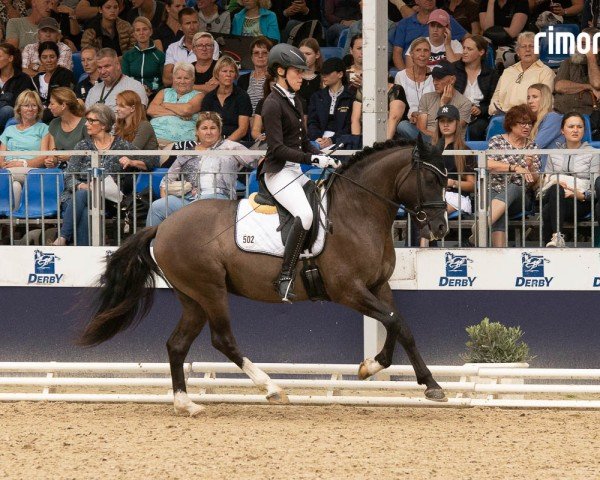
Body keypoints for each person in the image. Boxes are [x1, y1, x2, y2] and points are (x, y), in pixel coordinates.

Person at [260, 43, 339, 302]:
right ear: (280, 71)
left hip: (295, 171)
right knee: (304, 214)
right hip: (278, 172)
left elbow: (303, 141)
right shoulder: (271, 104)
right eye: (297, 72)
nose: (302, 78)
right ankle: (284, 277)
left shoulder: (296, 101)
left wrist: (321, 156)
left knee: (322, 204)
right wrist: (311, 158)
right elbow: (278, 148)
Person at [146, 111, 259, 226]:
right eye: (204, 128)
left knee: (199, 206)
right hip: (188, 199)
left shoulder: (231, 147)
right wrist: (166, 202)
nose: (208, 132)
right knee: (157, 207)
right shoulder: (187, 153)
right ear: (197, 131)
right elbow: (165, 182)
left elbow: (256, 162)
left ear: (219, 130)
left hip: (218, 197)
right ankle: (152, 244)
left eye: (213, 128)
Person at [54, 103, 143, 246]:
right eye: (86, 120)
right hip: (74, 197)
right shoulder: (82, 146)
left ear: (103, 124)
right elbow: (69, 176)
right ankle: (83, 251)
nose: (86, 124)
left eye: (91, 121)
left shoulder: (121, 145)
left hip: (106, 198)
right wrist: (82, 185)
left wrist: (132, 162)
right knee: (84, 204)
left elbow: (152, 159)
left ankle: (63, 238)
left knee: (87, 203)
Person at [473, 104, 541, 247]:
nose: (527, 127)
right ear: (511, 123)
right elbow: (487, 163)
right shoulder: (497, 140)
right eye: (522, 123)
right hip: (495, 191)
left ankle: (482, 226)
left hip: (521, 198)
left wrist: (529, 167)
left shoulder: (532, 146)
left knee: (514, 187)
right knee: (498, 201)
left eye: (529, 123)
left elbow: (534, 180)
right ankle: (499, 252)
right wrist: (514, 168)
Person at [541, 112, 599, 247]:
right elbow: (544, 186)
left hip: (580, 202)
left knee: (548, 210)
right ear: (562, 131)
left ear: (584, 131)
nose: (575, 130)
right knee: (555, 190)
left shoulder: (593, 154)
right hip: (556, 197)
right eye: (571, 126)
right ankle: (557, 237)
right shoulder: (553, 154)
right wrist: (554, 184)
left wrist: (578, 194)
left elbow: (597, 188)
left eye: (579, 127)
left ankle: (553, 241)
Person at [420, 104, 474, 247]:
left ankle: (423, 252)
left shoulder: (464, 150)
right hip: (433, 195)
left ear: (457, 123)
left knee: (430, 215)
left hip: (456, 196)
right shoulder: (429, 148)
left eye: (449, 121)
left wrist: (451, 182)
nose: (445, 124)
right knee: (419, 213)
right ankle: (422, 253)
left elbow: (472, 185)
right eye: (442, 121)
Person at [0, 90, 51, 208]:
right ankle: (14, 220)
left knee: (5, 177)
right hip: (8, 169)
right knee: (15, 186)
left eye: (34, 105)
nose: (30, 109)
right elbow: (1, 157)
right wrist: (4, 166)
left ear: (38, 109)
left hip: (31, 170)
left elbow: (43, 157)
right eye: (26, 105)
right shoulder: (9, 130)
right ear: (19, 109)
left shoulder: (44, 128)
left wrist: (22, 163)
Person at [489, 32, 555, 116]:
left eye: (531, 46)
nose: (527, 49)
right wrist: (495, 111)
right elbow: (496, 97)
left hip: (528, 117)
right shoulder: (508, 72)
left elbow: (544, 101)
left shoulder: (546, 72)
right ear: (518, 51)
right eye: (523, 46)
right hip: (503, 116)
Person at [392, 0, 467, 71]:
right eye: (432, 25)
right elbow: (397, 53)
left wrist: (460, 50)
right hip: (415, 71)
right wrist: (404, 75)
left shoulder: (445, 18)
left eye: (440, 26)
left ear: (447, 27)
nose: (435, 29)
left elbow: (468, 38)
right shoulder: (405, 23)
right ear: (416, 1)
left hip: (446, 74)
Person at [453, 35, 499, 141]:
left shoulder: (491, 74)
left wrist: (480, 110)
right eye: (463, 48)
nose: (464, 51)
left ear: (481, 52)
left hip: (479, 117)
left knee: (475, 129)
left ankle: (474, 157)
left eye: (469, 49)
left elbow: (494, 101)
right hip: (456, 113)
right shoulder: (453, 69)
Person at [414, 60, 472, 141]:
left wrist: (443, 104)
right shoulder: (426, 98)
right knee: (403, 126)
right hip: (426, 140)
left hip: (449, 144)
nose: (434, 82)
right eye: (433, 79)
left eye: (439, 79)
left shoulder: (465, 103)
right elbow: (421, 129)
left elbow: (449, 132)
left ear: (452, 79)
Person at [148, 61, 203, 143]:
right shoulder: (164, 92)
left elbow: (186, 110)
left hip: (180, 142)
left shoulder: (199, 95)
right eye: (179, 78)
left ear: (193, 79)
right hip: (154, 137)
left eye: (186, 78)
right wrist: (178, 113)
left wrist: (165, 104)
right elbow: (151, 110)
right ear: (173, 78)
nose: (182, 81)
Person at [200, 56, 252, 142]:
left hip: (237, 142)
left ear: (235, 75)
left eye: (231, 71)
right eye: (224, 71)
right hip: (212, 142)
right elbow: (204, 126)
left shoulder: (242, 96)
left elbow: (242, 130)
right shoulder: (209, 98)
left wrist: (225, 145)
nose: (228, 75)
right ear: (217, 74)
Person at [307, 57, 355, 149]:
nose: (323, 76)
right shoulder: (317, 97)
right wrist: (317, 138)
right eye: (322, 73)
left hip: (343, 144)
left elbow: (350, 126)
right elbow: (312, 122)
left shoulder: (350, 97)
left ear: (340, 74)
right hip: (318, 142)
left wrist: (333, 140)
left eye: (327, 73)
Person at [394, 37, 434, 139]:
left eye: (426, 50)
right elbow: (398, 105)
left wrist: (423, 116)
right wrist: (412, 115)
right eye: (418, 50)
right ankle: (430, 144)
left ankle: (426, 144)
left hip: (431, 123)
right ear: (411, 54)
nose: (422, 54)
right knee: (402, 126)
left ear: (430, 54)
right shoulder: (400, 76)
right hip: (409, 122)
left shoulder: (435, 75)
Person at [553, 28, 600, 116]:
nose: (578, 47)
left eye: (583, 44)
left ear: (597, 48)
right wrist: (589, 87)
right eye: (577, 42)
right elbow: (559, 86)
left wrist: (591, 57)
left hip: (588, 115)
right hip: (560, 112)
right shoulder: (568, 62)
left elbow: (597, 84)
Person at [114, 89, 159, 173]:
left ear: (132, 108)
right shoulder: (119, 126)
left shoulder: (144, 126)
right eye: (116, 105)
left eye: (121, 106)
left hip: (144, 170)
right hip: (126, 167)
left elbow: (132, 150)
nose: (117, 109)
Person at [121, 16, 165, 98]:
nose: (141, 33)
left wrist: (152, 90)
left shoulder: (160, 56)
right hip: (132, 95)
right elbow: (125, 80)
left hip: (154, 95)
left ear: (151, 32)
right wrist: (139, 89)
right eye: (138, 30)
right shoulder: (127, 56)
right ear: (134, 34)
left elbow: (163, 82)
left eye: (145, 29)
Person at [32, 41, 76, 123]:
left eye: (52, 56)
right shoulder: (36, 79)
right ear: (40, 59)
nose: (48, 60)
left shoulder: (66, 75)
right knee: (12, 122)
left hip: (56, 116)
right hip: (36, 114)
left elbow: (66, 101)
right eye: (44, 57)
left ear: (58, 57)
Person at [45, 87, 87, 169]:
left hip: (81, 172)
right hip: (61, 171)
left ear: (63, 106)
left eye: (52, 104)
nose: (49, 107)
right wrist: (51, 161)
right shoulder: (54, 123)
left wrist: (71, 156)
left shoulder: (85, 124)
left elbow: (93, 152)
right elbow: (53, 153)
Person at [0, 43, 35, 134]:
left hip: (13, 113)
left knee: (7, 110)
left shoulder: (23, 78)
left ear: (10, 58)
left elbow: (19, 103)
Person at [162, 7, 201, 87]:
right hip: (176, 94)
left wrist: (177, 76)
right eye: (187, 23)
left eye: (195, 22)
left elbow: (211, 77)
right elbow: (166, 80)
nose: (192, 27)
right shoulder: (172, 48)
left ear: (199, 23)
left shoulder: (211, 45)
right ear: (180, 26)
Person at [236, 36, 272, 114]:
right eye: (256, 53)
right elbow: (238, 105)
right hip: (246, 120)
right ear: (252, 57)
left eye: (264, 53)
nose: (260, 56)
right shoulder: (243, 79)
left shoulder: (274, 78)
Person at [527, 83, 564, 150]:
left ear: (545, 99)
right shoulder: (531, 119)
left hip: (548, 159)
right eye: (528, 97)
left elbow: (536, 145)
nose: (530, 101)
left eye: (535, 97)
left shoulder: (553, 118)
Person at [297, 38, 322, 111]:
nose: (303, 57)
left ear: (317, 55)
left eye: (308, 54)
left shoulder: (324, 77)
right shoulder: (293, 76)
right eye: (301, 54)